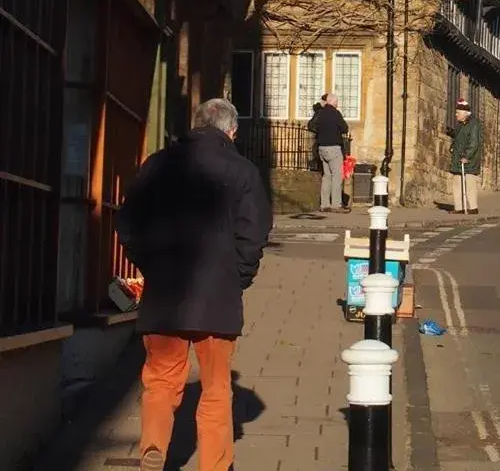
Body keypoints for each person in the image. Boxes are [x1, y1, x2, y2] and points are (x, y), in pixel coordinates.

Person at [114, 99, 273, 471]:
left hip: (165, 295)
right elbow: (254, 233)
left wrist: (150, 264)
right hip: (218, 297)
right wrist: (238, 277)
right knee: (216, 388)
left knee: (160, 379)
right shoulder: (244, 171)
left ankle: (154, 447)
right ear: (232, 131)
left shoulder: (158, 164)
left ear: (196, 124)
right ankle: (214, 465)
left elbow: (128, 223)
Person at [308, 93, 349, 212]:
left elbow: (311, 126)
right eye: (337, 102)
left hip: (322, 148)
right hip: (333, 147)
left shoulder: (320, 113)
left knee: (327, 176)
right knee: (337, 176)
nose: (337, 104)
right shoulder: (335, 113)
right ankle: (336, 204)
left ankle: (324, 204)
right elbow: (345, 128)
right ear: (332, 102)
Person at [450, 98, 482, 214]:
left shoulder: (474, 124)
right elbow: (457, 139)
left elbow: (474, 142)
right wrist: (452, 147)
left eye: (458, 112)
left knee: (470, 183)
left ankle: (473, 208)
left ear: (465, 113)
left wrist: (467, 156)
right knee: (456, 183)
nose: (456, 114)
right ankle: (458, 208)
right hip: (457, 158)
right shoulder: (459, 125)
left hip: (469, 160)